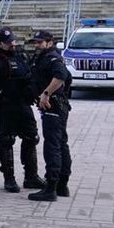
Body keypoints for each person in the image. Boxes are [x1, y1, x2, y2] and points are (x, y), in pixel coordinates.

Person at [0, 28, 45, 194]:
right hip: (4, 105)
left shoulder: (21, 56)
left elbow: (31, 77)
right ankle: (9, 178)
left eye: (13, 41)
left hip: (23, 104)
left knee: (31, 137)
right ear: (0, 43)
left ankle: (31, 176)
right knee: (7, 140)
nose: (12, 44)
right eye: (8, 42)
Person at [28, 30, 72, 202]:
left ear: (50, 42)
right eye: (36, 42)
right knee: (61, 143)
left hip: (53, 104)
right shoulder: (45, 57)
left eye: (40, 42)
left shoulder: (52, 57)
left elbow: (61, 76)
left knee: (53, 145)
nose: (37, 45)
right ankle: (62, 185)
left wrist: (46, 93)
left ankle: (51, 186)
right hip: (57, 104)